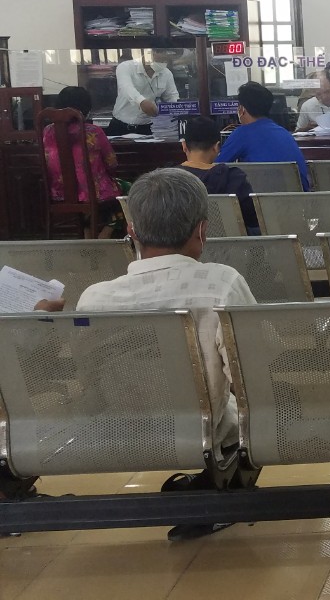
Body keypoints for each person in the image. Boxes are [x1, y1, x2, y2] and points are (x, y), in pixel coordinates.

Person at [74, 168, 256, 541]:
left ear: (132, 230)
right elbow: (253, 377)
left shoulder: (94, 298)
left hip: (118, 431)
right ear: (201, 230)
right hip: (200, 432)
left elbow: (87, 378)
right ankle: (218, 493)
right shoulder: (221, 283)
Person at [42, 85, 123, 215]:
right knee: (127, 190)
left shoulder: (47, 131)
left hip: (58, 193)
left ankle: (84, 225)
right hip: (95, 194)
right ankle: (105, 228)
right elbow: (112, 164)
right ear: (86, 108)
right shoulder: (94, 132)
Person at [215, 81, 310, 190]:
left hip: (264, 198)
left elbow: (216, 168)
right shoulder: (284, 132)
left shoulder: (242, 133)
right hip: (299, 196)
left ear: (242, 110)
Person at [179, 114, 259, 233]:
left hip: (184, 244)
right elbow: (253, 220)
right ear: (217, 147)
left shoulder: (166, 181)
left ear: (184, 146)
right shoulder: (234, 179)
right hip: (230, 243)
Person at [108, 50, 179, 136]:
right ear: (149, 54)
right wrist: (141, 102)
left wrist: (179, 108)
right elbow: (126, 88)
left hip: (148, 127)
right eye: (160, 61)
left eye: (165, 61)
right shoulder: (126, 67)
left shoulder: (166, 73)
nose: (163, 64)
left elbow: (171, 96)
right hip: (120, 126)